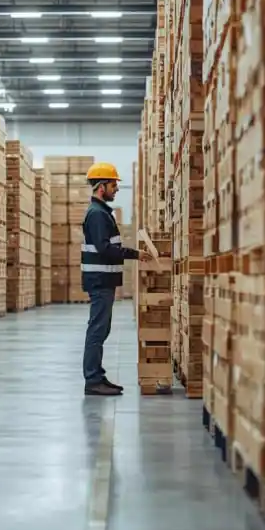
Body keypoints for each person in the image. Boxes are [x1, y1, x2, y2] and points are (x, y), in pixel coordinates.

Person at [80, 162, 150, 396]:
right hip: (100, 281)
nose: (116, 189)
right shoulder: (97, 215)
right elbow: (104, 248)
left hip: (104, 280)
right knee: (97, 330)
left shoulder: (101, 212)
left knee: (102, 328)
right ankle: (92, 380)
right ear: (101, 187)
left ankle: (98, 375)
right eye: (113, 185)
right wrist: (136, 254)